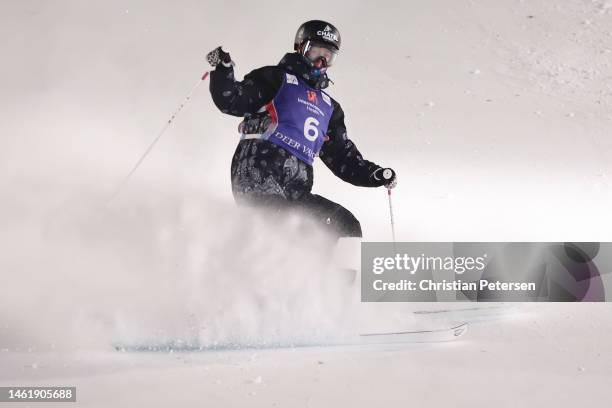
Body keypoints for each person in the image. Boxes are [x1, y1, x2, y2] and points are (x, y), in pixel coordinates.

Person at [206, 20, 397, 239]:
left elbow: (342, 158)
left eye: (328, 55)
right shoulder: (275, 79)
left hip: (296, 189)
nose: (320, 60)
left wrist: (374, 174)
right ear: (300, 47)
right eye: (315, 51)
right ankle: (253, 265)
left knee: (344, 226)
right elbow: (232, 100)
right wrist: (223, 69)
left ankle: (334, 274)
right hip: (258, 174)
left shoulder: (329, 107)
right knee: (286, 226)